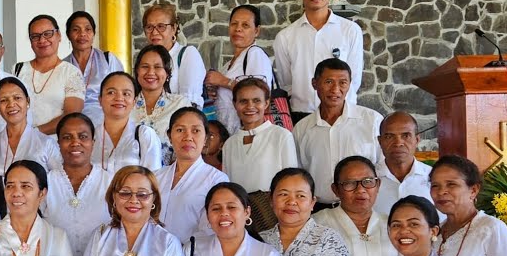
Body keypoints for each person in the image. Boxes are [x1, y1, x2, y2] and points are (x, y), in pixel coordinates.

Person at [273, 0, 364, 116]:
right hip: (301, 115)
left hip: (342, 115)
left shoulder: (350, 31)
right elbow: (287, 83)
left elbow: (353, 79)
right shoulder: (285, 37)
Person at [292, 58, 382, 206]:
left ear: (349, 84)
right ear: (315, 84)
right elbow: (299, 174)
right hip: (319, 210)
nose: (335, 90)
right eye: (328, 82)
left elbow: (382, 166)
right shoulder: (302, 129)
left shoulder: (372, 121)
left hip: (363, 207)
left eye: (342, 82)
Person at [220, 77, 298, 230]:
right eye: (243, 101)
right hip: (241, 218)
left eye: (256, 101)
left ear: (266, 103)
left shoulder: (281, 136)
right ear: (235, 104)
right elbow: (229, 185)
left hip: (272, 217)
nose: (250, 106)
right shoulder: (230, 144)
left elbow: (291, 183)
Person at [42, 113, 112, 256]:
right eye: (67, 137)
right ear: (58, 143)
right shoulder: (45, 182)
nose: (75, 143)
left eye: (83, 136)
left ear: (93, 142)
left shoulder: (110, 183)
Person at [156, 106, 225, 241]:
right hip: (153, 255)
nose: (188, 137)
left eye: (196, 131)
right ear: (169, 136)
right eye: (180, 130)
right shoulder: (156, 177)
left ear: (205, 138)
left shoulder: (216, 180)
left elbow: (210, 231)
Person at [208, 4, 273, 133]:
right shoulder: (228, 64)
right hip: (230, 133)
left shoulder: (255, 54)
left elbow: (259, 95)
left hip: (249, 132)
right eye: (234, 24)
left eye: (245, 25)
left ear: (256, 31)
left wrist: (223, 81)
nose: (238, 29)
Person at [15, 14, 85, 134]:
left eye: (48, 34)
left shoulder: (71, 73)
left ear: (59, 36)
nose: (42, 40)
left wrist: (32, 134)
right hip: (22, 146)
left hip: (56, 146)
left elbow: (71, 116)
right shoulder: (18, 70)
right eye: (35, 36)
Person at [131, 44, 193, 161]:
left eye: (157, 67)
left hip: (170, 176)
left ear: (167, 73)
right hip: (130, 175)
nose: (151, 72)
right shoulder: (126, 105)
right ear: (137, 72)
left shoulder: (180, 105)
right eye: (145, 66)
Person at [92, 72, 162, 174]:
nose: (119, 98)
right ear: (100, 99)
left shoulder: (144, 135)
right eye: (111, 92)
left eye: (126, 94)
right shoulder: (90, 137)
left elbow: (154, 180)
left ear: (134, 102)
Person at [63, 11, 125, 124]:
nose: (82, 34)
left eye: (88, 29)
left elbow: (123, 91)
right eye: (76, 29)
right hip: (72, 125)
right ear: (68, 34)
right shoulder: (62, 66)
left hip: (105, 123)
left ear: (93, 33)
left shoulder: (108, 59)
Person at [0, 76, 60, 175]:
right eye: (3, 100)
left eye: (17, 98)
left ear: (28, 101)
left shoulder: (46, 143)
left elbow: (61, 182)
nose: (11, 104)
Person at [141, 0, 204, 107]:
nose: (154, 32)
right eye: (149, 27)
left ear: (174, 28)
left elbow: (189, 103)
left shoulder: (187, 55)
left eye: (161, 26)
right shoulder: (144, 58)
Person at [373, 111, 433, 215]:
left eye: (406, 136)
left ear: (417, 139)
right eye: (389, 136)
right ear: (380, 141)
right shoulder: (367, 181)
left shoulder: (433, 178)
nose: (398, 143)